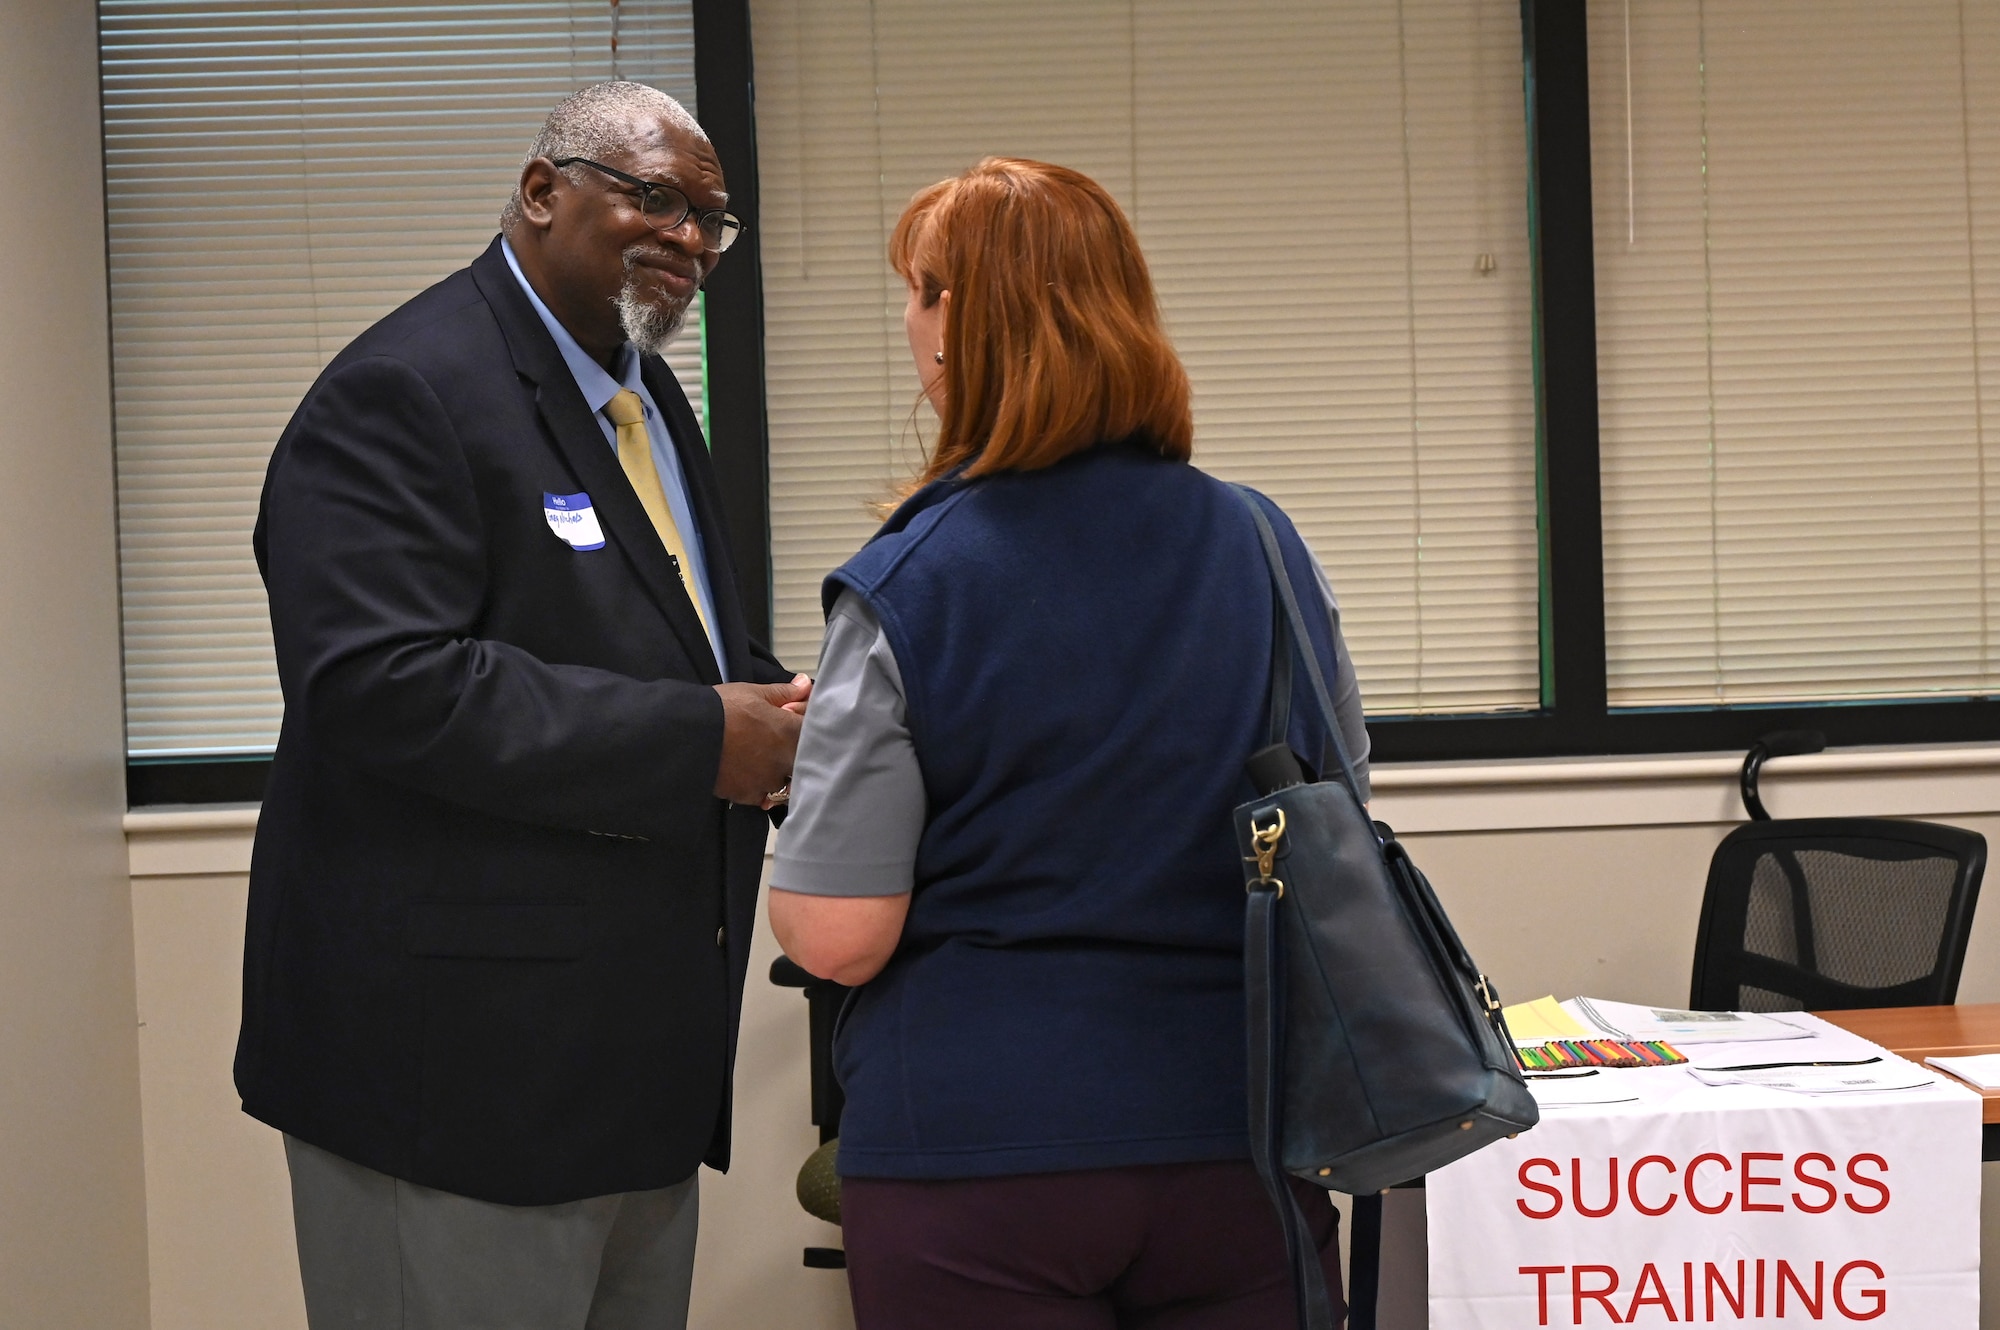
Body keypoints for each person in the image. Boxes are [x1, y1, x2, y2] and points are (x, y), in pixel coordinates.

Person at [238, 82, 808, 1329]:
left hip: (628, 1062)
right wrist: (707, 737)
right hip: (455, 1079)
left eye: (712, 219)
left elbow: (670, 641)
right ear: (542, 191)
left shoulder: (647, 395)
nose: (690, 240)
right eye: (654, 197)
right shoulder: (404, 389)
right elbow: (381, 686)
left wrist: (784, 708)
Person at [767, 157, 1372, 1329]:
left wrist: (802, 794)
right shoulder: (1261, 547)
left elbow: (840, 937)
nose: (906, 322)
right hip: (1239, 1143)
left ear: (957, 331)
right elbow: (1333, 820)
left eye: (917, 292)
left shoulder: (904, 583)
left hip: (977, 1166)